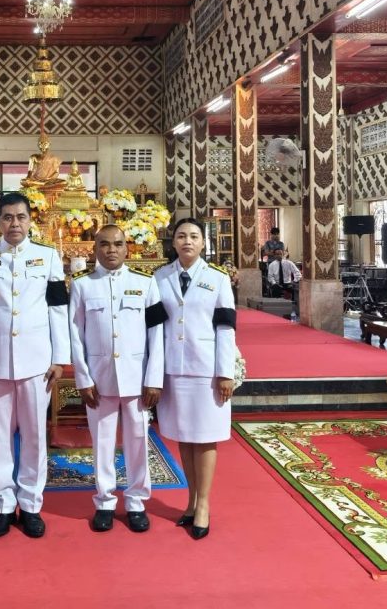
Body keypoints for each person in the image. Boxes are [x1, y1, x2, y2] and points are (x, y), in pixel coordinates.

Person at [0, 191, 70, 538]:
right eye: (7, 217)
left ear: (30, 220)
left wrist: (60, 358)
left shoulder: (48, 256)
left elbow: (58, 309)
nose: (14, 224)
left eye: (20, 217)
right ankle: (3, 505)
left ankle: (32, 504)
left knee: (35, 435)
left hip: (37, 362)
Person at [69, 225, 165, 533]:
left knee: (138, 440)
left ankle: (136, 501)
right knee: (102, 442)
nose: (111, 249)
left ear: (127, 248)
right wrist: (83, 378)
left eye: (118, 244)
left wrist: (154, 378)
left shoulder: (146, 283)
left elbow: (157, 335)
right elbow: (75, 335)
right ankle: (105, 501)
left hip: (137, 378)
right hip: (99, 379)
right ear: (94, 248)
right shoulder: (82, 285)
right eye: (105, 244)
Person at [154, 217, 239, 540]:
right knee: (184, 437)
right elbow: (155, 327)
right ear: (173, 241)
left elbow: (226, 327)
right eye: (181, 236)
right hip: (173, 368)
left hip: (206, 369)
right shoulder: (160, 277)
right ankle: (190, 501)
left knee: (204, 437)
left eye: (193, 236)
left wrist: (225, 372)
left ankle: (203, 504)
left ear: (203, 242)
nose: (187, 241)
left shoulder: (218, 278)